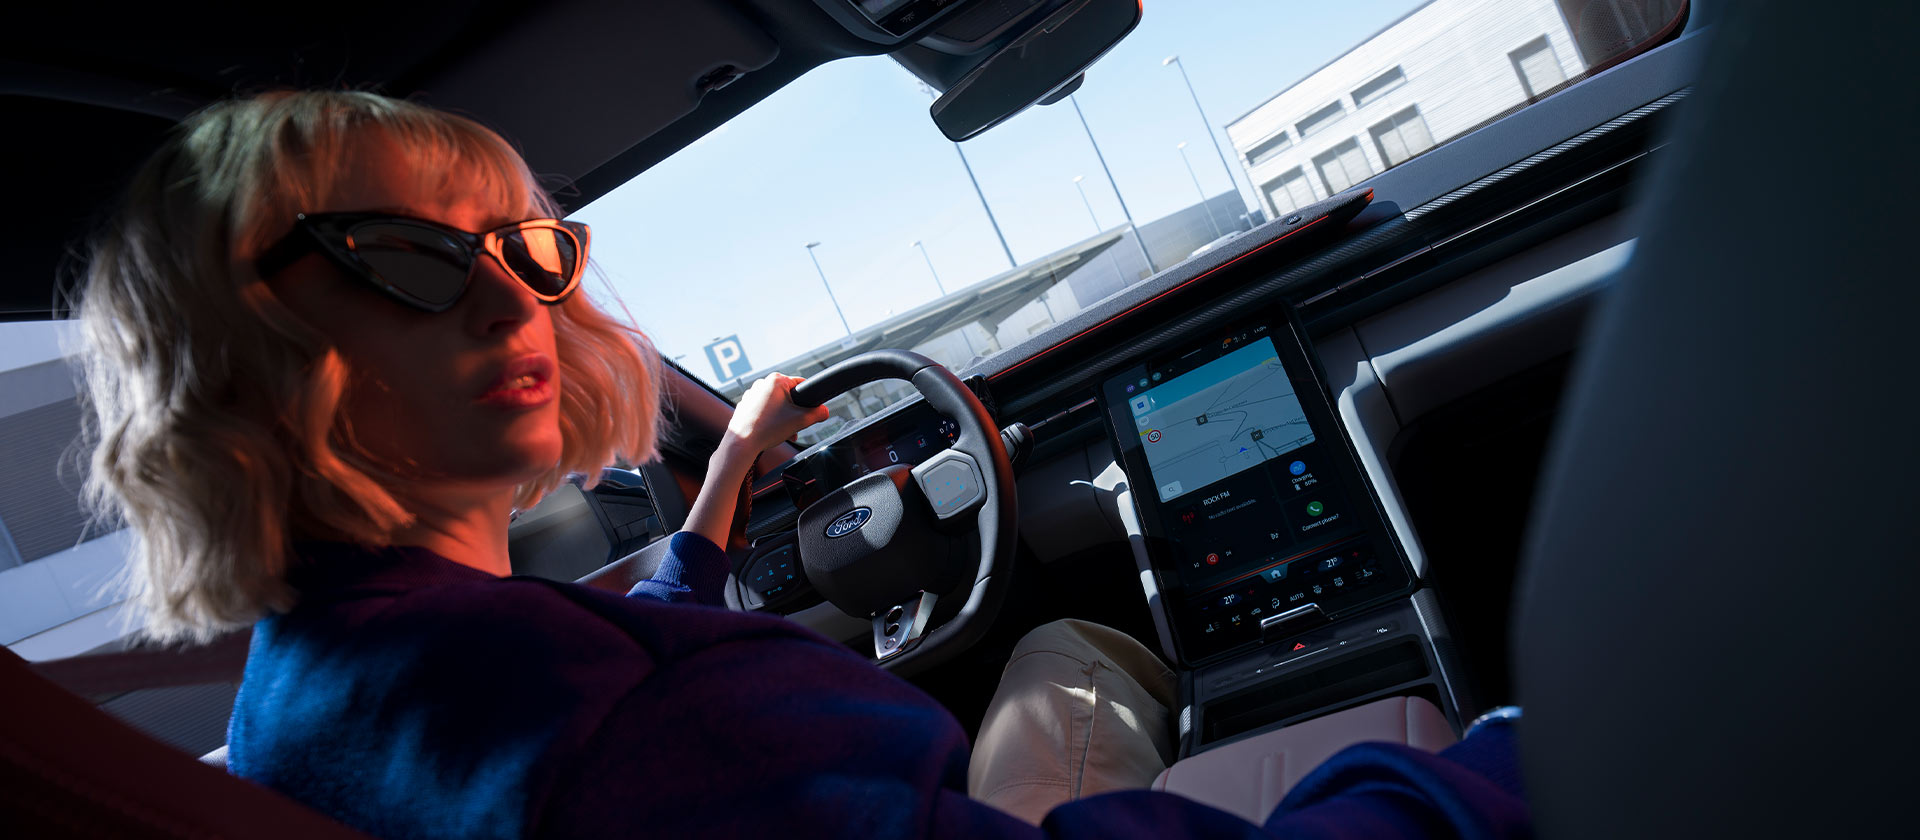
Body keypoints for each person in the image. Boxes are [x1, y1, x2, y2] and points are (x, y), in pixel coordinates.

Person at [76, 90, 1526, 839]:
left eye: (529, 250)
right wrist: (1519, 772)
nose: (515, 298)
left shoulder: (328, 687)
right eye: (407, 256)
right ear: (230, 346)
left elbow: (640, 658)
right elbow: (646, 721)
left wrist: (730, 484)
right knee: (1078, 643)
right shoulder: (625, 725)